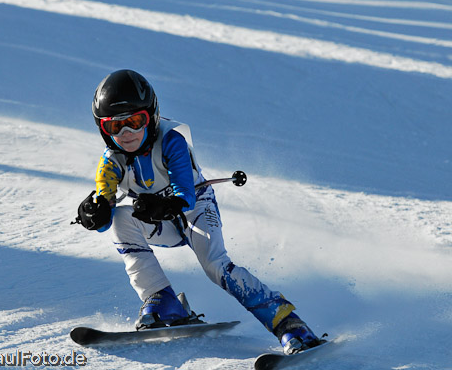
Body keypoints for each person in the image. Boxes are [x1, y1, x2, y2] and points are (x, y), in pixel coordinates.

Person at [74, 69, 321, 354]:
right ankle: (161, 299)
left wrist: (162, 206)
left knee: (215, 265)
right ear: (102, 129)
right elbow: (105, 207)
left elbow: (185, 195)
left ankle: (289, 324)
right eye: (114, 127)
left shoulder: (170, 140)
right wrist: (96, 213)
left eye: (134, 121)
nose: (126, 133)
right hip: (158, 220)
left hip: (195, 209)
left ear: (151, 117)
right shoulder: (111, 161)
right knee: (119, 219)